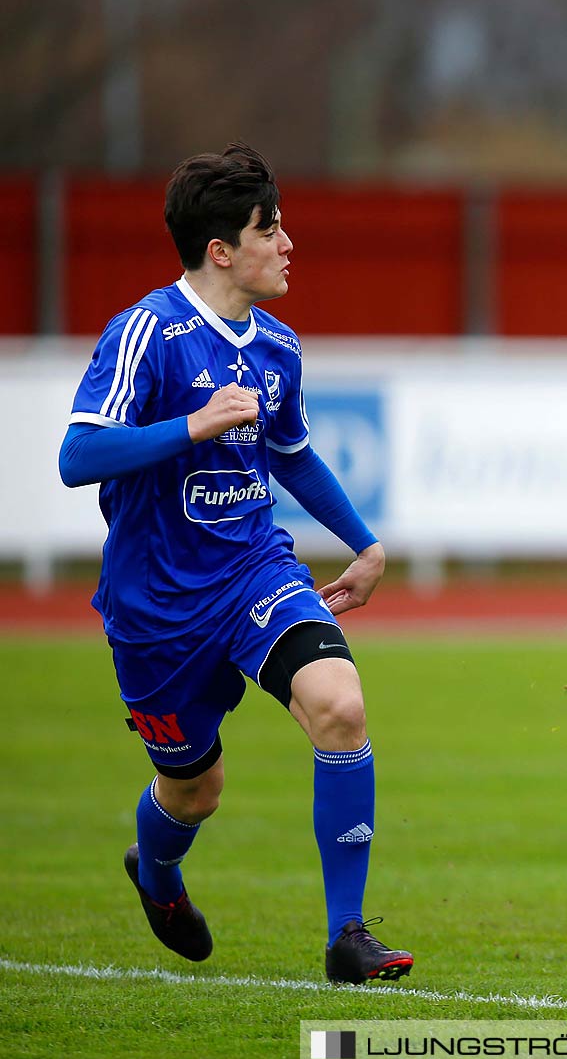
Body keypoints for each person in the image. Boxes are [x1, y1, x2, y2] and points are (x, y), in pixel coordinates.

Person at [58, 143, 412, 982]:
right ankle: (158, 873)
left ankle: (347, 937)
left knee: (340, 706)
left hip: (256, 572)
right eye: (270, 229)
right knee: (194, 792)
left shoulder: (279, 346)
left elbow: (291, 456)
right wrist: (194, 425)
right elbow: (78, 457)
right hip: (156, 609)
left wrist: (364, 544)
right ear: (221, 250)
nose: (288, 244)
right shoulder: (148, 333)